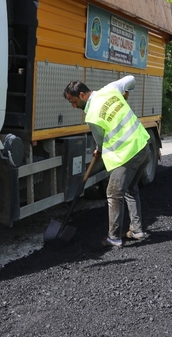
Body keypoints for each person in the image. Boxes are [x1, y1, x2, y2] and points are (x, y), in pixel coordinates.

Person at [64, 75, 150, 247]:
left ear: (82, 95)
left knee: (113, 193)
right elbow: (131, 79)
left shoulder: (92, 116)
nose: (73, 106)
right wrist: (127, 92)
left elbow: (101, 141)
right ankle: (136, 230)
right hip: (143, 145)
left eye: (73, 101)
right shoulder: (110, 89)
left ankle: (114, 237)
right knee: (131, 189)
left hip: (127, 154)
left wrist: (99, 149)